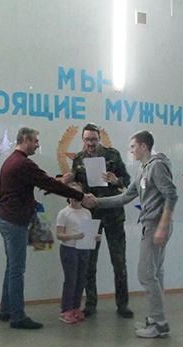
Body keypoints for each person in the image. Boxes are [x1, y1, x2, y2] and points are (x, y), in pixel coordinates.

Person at [85, 130, 178, 338]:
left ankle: (160, 324)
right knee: (155, 273)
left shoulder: (157, 166)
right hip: (151, 224)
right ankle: (156, 319)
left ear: (144, 146)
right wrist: (98, 202)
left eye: (133, 146)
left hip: (156, 225)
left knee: (145, 274)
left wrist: (162, 226)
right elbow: (125, 197)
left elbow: (171, 195)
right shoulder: (143, 169)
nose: (131, 150)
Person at [0, 127, 88, 330]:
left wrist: (55, 184)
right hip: (15, 223)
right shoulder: (23, 163)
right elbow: (47, 183)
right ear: (25, 139)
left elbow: (37, 185)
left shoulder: (12, 161)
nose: (38, 145)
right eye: (36, 141)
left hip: (6, 219)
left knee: (11, 267)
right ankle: (17, 317)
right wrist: (81, 196)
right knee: (17, 270)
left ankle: (7, 310)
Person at [61, 123, 133, 319]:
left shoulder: (113, 155)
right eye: (87, 140)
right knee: (88, 263)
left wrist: (116, 180)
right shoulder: (78, 158)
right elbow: (77, 186)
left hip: (114, 215)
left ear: (99, 139)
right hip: (89, 216)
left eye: (93, 139)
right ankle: (90, 304)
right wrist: (68, 181)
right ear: (82, 140)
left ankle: (123, 304)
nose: (90, 143)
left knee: (119, 261)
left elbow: (127, 180)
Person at [55, 182, 96, 324]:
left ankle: (75, 307)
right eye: (72, 193)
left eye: (78, 193)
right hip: (69, 249)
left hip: (84, 249)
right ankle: (66, 309)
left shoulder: (87, 213)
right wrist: (75, 236)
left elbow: (88, 232)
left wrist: (94, 236)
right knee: (71, 279)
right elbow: (59, 235)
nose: (75, 197)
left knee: (81, 279)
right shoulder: (64, 213)